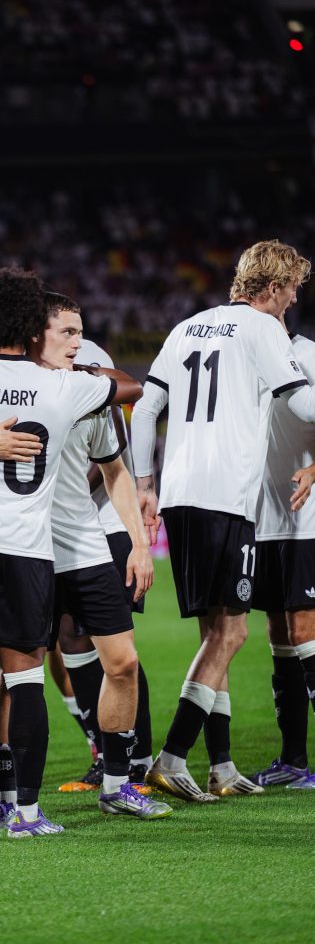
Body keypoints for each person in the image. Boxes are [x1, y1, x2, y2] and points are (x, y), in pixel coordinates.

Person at [0, 264, 132, 839]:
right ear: (34, 325)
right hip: (24, 550)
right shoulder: (65, 388)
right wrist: (82, 368)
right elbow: (127, 385)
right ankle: (27, 816)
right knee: (25, 678)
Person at [131, 239, 315, 802]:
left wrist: (144, 485)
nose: (293, 301)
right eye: (292, 290)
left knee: (214, 631)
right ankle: (171, 757)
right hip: (227, 496)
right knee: (232, 632)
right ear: (273, 287)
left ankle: (222, 765)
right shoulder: (264, 329)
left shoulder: (187, 326)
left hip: (180, 493)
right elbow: (302, 405)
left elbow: (145, 408)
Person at [0, 293, 171, 826]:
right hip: (27, 549)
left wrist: (138, 545)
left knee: (123, 662)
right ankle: (8, 794)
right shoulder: (4, 390)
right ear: (34, 335)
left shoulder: (86, 392)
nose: (78, 342)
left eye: (80, 331)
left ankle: (117, 785)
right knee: (14, 674)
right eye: (67, 332)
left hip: (85, 544)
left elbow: (114, 470)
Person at [54, 328, 154, 795]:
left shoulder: (84, 354)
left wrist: (69, 490)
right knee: (70, 638)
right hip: (67, 529)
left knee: (116, 645)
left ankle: (139, 758)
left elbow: (110, 434)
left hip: (108, 520)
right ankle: (103, 753)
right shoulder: (30, 359)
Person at [250, 331, 315, 788]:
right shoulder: (241, 352)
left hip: (306, 517)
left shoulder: (307, 354)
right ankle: (293, 759)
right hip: (262, 519)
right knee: (279, 634)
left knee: (305, 629)